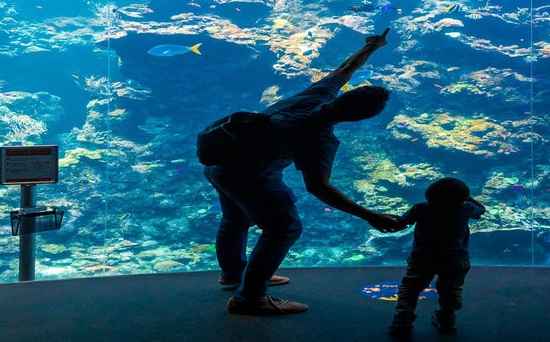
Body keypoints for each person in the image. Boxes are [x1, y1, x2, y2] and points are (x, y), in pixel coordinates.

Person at [204, 28, 405, 316]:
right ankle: (249, 297)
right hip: (250, 178)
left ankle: (235, 273)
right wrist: (370, 216)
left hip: (218, 164)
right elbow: (318, 187)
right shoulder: (321, 139)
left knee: (236, 219)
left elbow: (347, 68)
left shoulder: (314, 95)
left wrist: (373, 45)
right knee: (284, 228)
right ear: (361, 119)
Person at [388, 177, 486, 336]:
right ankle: (447, 321)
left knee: (410, 289)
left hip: (422, 258)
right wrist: (466, 198)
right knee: (451, 290)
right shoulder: (465, 208)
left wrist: (387, 220)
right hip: (455, 259)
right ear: (463, 197)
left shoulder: (421, 208)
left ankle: (402, 322)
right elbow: (481, 209)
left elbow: (401, 222)